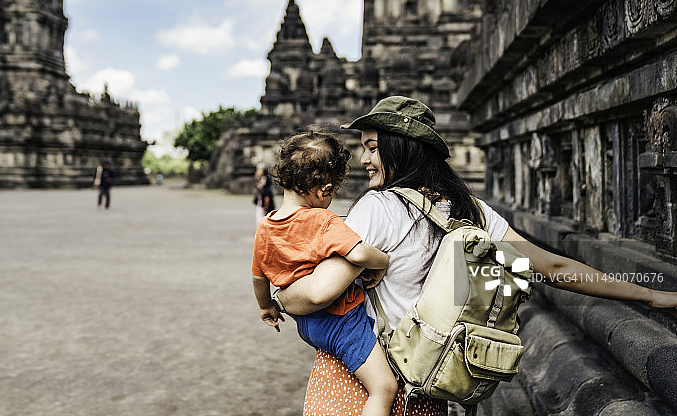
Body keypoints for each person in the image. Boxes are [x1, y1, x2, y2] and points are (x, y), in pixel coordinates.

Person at [270, 96, 677, 416]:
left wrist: (277, 298)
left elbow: (320, 293)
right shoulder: (472, 212)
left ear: (401, 148)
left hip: (357, 384)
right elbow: (550, 268)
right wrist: (652, 295)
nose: (364, 160)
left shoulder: (378, 209)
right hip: (429, 386)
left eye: (373, 148)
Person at [251, 131, 398, 416]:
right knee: (384, 387)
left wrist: (266, 306)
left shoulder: (266, 226)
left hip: (305, 325)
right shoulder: (322, 220)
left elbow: (258, 278)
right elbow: (358, 254)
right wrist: (383, 260)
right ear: (325, 189)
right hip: (340, 321)